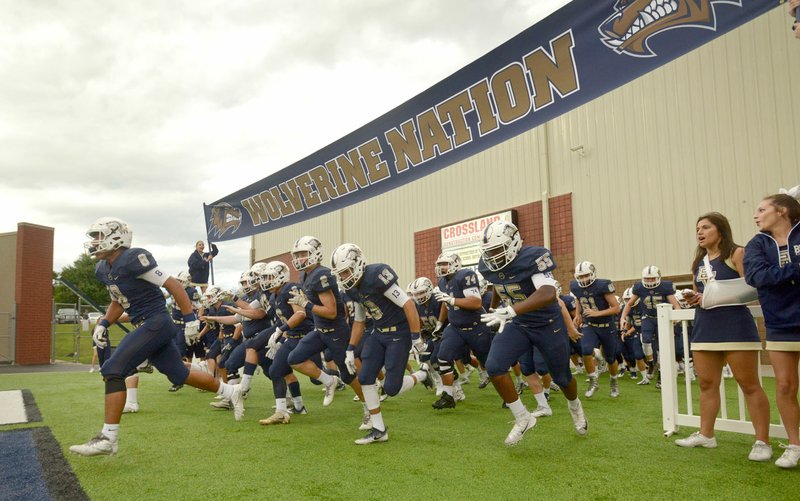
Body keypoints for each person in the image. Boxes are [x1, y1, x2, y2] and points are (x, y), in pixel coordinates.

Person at [69, 217, 243, 457]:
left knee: (113, 369)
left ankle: (108, 437)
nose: (95, 242)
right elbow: (118, 301)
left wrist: (190, 318)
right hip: (146, 323)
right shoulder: (103, 269)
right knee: (178, 373)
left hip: (157, 322)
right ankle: (230, 392)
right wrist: (105, 322)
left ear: (116, 237)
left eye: (99, 236)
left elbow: (173, 285)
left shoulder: (133, 259)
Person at [477, 220, 588, 446]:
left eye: (498, 250)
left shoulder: (533, 257)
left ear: (514, 243)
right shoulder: (488, 266)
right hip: (518, 322)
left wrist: (510, 310)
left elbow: (547, 293)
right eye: (490, 252)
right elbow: (498, 285)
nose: (494, 257)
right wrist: (495, 308)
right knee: (494, 366)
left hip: (547, 323)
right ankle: (523, 417)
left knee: (562, 378)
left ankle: (575, 406)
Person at [674, 212, 771, 462]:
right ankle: (706, 435)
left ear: (721, 230)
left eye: (706, 227)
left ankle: (762, 441)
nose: (700, 232)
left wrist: (714, 296)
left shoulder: (737, 253)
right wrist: (694, 298)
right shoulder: (698, 263)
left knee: (749, 384)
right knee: (706, 383)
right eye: (697, 228)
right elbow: (701, 295)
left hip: (735, 326)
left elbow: (753, 289)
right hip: (705, 326)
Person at [331, 243, 429, 444]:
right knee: (365, 376)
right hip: (378, 333)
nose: (344, 277)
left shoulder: (376, 275)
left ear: (358, 263)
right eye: (340, 274)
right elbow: (359, 320)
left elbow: (408, 304)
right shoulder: (352, 289)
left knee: (392, 389)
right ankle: (379, 429)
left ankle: (423, 374)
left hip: (398, 333)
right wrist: (350, 349)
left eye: (346, 271)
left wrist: (415, 336)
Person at [744, 192, 800, 468]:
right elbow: (757, 277)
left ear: (781, 211)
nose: (756, 214)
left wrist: (781, 274)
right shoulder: (756, 244)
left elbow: (770, 276)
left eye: (762, 208)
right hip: (779, 324)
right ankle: (794, 445)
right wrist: (795, 270)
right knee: (786, 385)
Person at [286, 236, 367, 422]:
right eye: (296, 255)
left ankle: (369, 409)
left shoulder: (321, 275)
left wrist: (305, 304)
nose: (299, 259)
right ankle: (329, 380)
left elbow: (331, 312)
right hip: (320, 330)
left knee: (349, 375)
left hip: (336, 332)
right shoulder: (305, 274)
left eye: (303, 254)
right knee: (294, 359)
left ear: (315, 253)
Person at [430, 252, 492, 410]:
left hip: (476, 325)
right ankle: (449, 395)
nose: (442, 268)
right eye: (440, 264)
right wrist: (439, 323)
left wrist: (451, 299)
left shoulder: (466, 275)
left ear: (455, 263)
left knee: (490, 363)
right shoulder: (442, 281)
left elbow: (476, 302)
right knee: (442, 357)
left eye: (445, 264)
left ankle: (510, 394)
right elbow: (446, 304)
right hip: (456, 327)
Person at [570, 261, 622, 398]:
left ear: (593, 274)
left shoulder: (602, 285)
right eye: (580, 276)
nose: (583, 279)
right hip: (590, 325)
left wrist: (596, 313)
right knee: (586, 351)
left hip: (606, 326)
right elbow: (578, 298)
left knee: (611, 358)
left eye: (586, 275)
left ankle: (614, 381)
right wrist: (577, 314)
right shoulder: (575, 286)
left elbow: (617, 308)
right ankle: (593, 381)